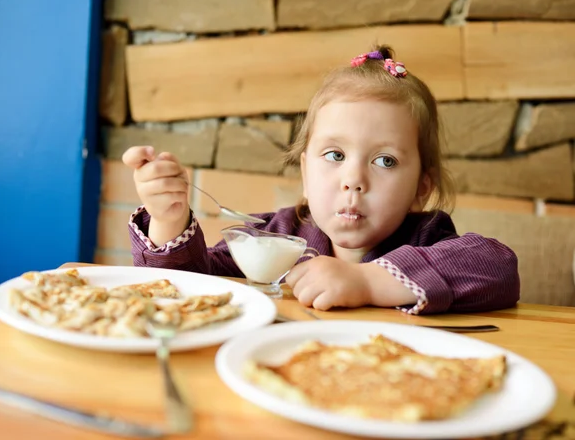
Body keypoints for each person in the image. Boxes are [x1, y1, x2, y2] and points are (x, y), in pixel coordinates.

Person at [122, 45, 520, 315]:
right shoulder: (273, 237)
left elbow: (498, 267)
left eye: (384, 160)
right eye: (335, 155)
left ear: (421, 188)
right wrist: (168, 219)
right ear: (305, 174)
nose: (353, 180)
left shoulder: (426, 237)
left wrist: (367, 282)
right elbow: (188, 286)